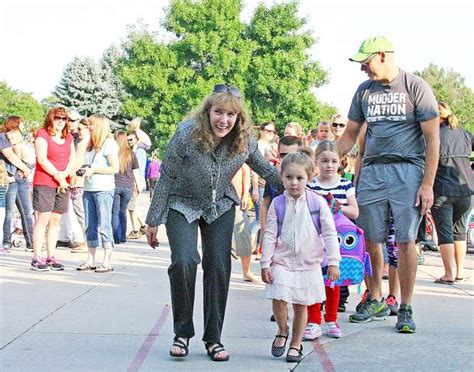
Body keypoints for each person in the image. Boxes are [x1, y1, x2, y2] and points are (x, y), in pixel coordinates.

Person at [144, 84, 283, 362]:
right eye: (218, 112)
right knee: (184, 260)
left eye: (230, 114)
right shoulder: (186, 134)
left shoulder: (245, 141)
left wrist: (296, 189)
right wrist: (153, 220)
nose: (224, 120)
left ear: (239, 117)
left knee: (218, 266)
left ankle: (213, 338)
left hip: (220, 205)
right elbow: (168, 175)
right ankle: (182, 332)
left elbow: (266, 170)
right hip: (181, 203)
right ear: (208, 111)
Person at [338, 36, 440, 333]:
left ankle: (405, 306)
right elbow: (349, 134)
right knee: (370, 238)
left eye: (365, 62)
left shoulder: (415, 86)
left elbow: (433, 140)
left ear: (382, 55)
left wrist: (428, 184)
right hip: (371, 171)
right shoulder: (364, 91)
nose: (363, 69)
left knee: (406, 240)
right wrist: (324, 156)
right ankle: (376, 297)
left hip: (407, 170)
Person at [260, 152, 340, 362]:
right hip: (282, 261)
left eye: (299, 178)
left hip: (308, 264)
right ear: (282, 177)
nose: (294, 183)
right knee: (278, 298)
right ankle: (282, 329)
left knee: (301, 304)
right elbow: (269, 234)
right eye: (289, 177)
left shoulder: (317, 203)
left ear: (309, 178)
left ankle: (295, 344)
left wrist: (333, 262)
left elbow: (330, 233)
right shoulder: (277, 204)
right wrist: (265, 263)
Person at [304, 140, 359, 339]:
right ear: (316, 162)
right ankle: (312, 321)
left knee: (333, 282)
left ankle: (331, 320)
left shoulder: (345, 184)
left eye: (333, 161)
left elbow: (354, 211)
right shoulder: (310, 185)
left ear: (341, 162)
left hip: (337, 242)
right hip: (315, 241)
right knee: (313, 281)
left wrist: (339, 207)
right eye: (324, 161)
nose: (329, 165)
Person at [431, 102, 473, 284]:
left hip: (443, 190)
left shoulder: (434, 136)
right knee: (460, 231)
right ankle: (460, 271)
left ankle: (448, 273)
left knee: (445, 232)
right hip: (466, 190)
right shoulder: (464, 134)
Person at [31, 107, 76, 271]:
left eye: (64, 119)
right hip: (45, 181)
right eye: (58, 118)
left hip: (63, 183)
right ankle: (37, 256)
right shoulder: (42, 135)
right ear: (51, 118)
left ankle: (51, 255)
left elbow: (73, 159)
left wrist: (65, 175)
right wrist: (58, 175)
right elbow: (42, 160)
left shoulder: (68, 137)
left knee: (56, 221)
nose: (61, 121)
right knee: (43, 219)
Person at [76, 115, 119, 273]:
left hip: (104, 189)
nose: (89, 127)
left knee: (104, 224)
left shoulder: (109, 144)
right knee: (90, 225)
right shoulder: (89, 144)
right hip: (88, 188)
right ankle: (91, 258)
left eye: (91, 125)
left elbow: (114, 168)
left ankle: (107, 260)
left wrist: (94, 170)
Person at [57, 111, 89, 253]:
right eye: (68, 120)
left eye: (73, 120)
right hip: (71, 180)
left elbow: (79, 162)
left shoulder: (85, 140)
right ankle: (68, 237)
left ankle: (87, 241)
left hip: (79, 181)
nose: (70, 123)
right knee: (70, 211)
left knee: (81, 212)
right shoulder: (72, 138)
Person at [231, 164, 258, 282]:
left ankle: (246, 271)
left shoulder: (237, 149)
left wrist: (245, 194)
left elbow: (245, 169)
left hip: (237, 199)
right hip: (218, 198)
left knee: (243, 233)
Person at [112, 131, 139, 244]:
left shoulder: (113, 153)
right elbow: (135, 172)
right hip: (128, 186)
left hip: (115, 185)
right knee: (123, 211)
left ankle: (115, 237)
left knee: (115, 211)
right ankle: (122, 236)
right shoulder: (131, 154)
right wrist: (137, 186)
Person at [126, 132, 147, 239]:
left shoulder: (139, 151)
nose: (129, 142)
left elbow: (136, 169)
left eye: (131, 140)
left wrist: (137, 184)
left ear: (137, 140)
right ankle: (141, 226)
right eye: (128, 140)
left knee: (131, 206)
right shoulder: (133, 151)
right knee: (131, 206)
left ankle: (139, 228)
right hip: (134, 180)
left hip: (136, 180)